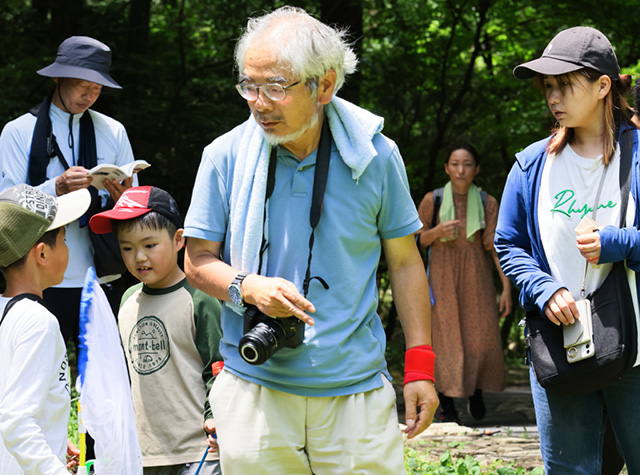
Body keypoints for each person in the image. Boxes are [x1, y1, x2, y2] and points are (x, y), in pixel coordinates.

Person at [183, 6, 438, 474]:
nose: (258, 102)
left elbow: (405, 263)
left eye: (276, 87)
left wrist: (419, 365)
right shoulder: (224, 156)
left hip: (355, 393)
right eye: (249, 86)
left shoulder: (376, 156)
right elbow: (196, 260)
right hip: (253, 387)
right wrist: (248, 286)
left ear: (325, 85)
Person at [495, 26, 640, 473]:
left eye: (564, 84)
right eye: (548, 87)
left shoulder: (637, 156)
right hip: (562, 349)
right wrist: (543, 289)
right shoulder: (532, 164)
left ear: (602, 86)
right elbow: (509, 244)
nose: (552, 97)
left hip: (637, 352)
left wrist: (618, 244)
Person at [0, 35, 138, 350]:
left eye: (98, 89)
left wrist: (124, 200)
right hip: (39, 278)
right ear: (59, 77)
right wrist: (56, 188)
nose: (89, 95)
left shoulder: (113, 131)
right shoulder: (18, 131)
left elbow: (134, 203)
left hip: (101, 274)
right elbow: (5, 207)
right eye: (83, 86)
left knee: (103, 380)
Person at [89, 185, 223, 475]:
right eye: (127, 247)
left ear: (178, 240)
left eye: (150, 245)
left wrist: (216, 419)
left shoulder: (200, 298)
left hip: (198, 452)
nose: (139, 257)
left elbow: (218, 368)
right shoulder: (127, 301)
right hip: (142, 454)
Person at [416, 142, 511, 423]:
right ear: (446, 168)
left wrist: (506, 288)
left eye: (467, 164)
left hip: (477, 278)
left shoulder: (487, 202)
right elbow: (416, 242)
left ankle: (476, 391)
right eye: (455, 163)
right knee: (444, 340)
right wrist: (436, 232)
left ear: (476, 169)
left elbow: (495, 247)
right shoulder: (431, 200)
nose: (461, 169)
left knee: (480, 338)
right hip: (441, 279)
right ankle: (446, 403)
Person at [0, 184, 90, 474]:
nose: (67, 249)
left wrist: (50, 435)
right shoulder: (39, 323)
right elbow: (16, 422)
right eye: (63, 240)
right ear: (41, 254)